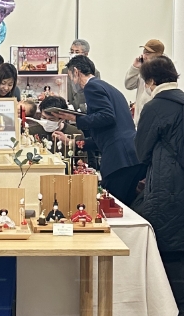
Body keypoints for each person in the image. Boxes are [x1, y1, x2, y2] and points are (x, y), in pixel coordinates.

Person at [132, 55, 184, 316]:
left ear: (150, 81)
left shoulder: (156, 107)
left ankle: (179, 311)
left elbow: (141, 151)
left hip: (168, 184)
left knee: (170, 245)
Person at [57, 54, 145, 206]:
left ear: (76, 72)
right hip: (131, 156)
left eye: (70, 76)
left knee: (109, 206)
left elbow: (106, 116)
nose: (72, 81)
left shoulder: (92, 87)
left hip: (119, 159)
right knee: (124, 207)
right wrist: (74, 142)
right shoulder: (109, 88)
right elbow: (107, 133)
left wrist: (75, 119)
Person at [124, 38, 165, 124]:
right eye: (144, 52)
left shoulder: (164, 72)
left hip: (153, 122)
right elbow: (129, 85)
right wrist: (135, 68)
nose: (144, 56)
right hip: (140, 123)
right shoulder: (143, 70)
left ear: (159, 54)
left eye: (148, 53)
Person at [67, 38, 94, 111]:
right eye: (72, 51)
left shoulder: (93, 72)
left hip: (84, 111)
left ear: (86, 54)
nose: (73, 54)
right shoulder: (65, 71)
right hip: (67, 109)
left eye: (77, 52)